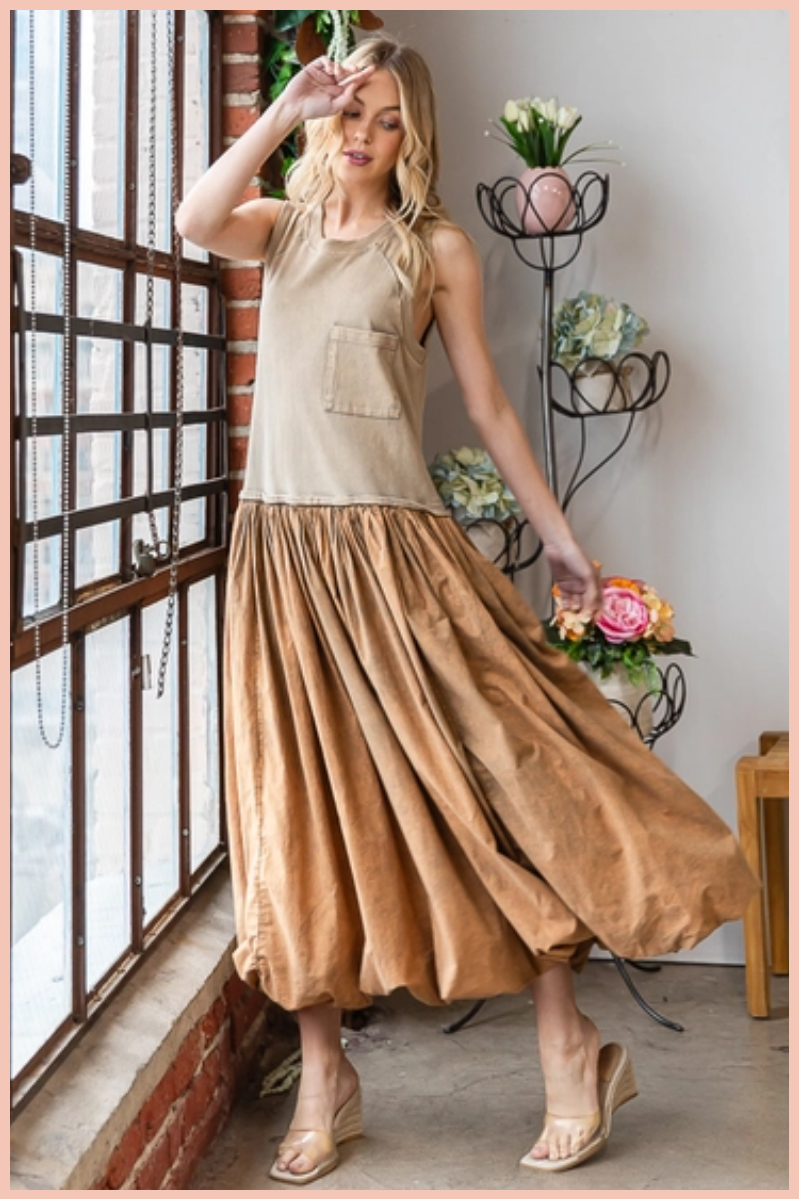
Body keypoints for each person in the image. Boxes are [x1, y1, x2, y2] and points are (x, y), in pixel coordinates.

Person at [176, 35, 758, 1183]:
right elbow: (195, 219)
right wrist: (286, 108)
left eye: (387, 118)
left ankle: (569, 1050)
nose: (363, 134)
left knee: (493, 787)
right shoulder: (280, 228)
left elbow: (488, 409)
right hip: (282, 560)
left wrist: (560, 536)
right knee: (302, 813)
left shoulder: (432, 249)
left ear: (415, 136)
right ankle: (327, 1077)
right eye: (351, 112)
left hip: (395, 554)